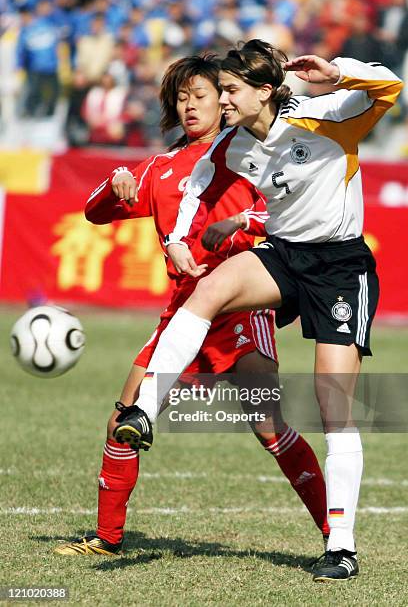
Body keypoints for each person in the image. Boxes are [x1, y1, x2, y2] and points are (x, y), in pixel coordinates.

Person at [113, 40, 403, 581]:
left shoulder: (326, 114)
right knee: (207, 292)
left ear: (264, 91)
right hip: (283, 254)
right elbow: (197, 186)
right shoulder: (232, 141)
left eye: (228, 90)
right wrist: (179, 238)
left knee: (332, 405)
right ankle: (144, 411)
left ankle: (341, 546)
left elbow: (390, 85)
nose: (220, 100)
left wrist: (337, 71)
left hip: (340, 266)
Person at [55, 54, 329, 557]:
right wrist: (115, 181)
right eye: (181, 98)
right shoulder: (161, 168)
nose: (190, 106)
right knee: (123, 420)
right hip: (180, 313)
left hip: (239, 308)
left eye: (200, 95)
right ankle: (106, 539)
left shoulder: (247, 153)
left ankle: (337, 539)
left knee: (268, 424)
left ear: (225, 102)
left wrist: (242, 224)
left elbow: (286, 215)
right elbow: (94, 211)